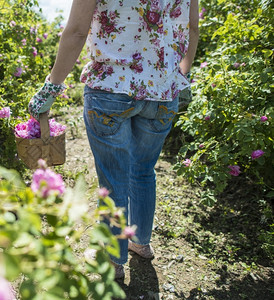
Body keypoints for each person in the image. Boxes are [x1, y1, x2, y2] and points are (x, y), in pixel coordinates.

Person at [29, 0, 199, 280]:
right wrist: (183, 75)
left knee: (113, 180)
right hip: (162, 91)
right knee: (143, 170)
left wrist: (49, 90)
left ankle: (114, 260)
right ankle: (141, 243)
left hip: (110, 89)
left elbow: (76, 33)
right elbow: (192, 28)